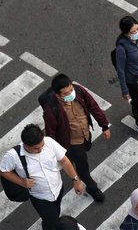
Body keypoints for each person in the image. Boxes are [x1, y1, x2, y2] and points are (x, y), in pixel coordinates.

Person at [0, 124, 84, 230]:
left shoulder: (48, 142)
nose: (40, 150)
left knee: (55, 212)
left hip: (58, 189)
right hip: (39, 197)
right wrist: (22, 182)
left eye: (41, 146)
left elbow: (64, 161)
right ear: (25, 145)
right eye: (36, 148)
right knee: (52, 220)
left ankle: (50, 229)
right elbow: (4, 171)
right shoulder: (13, 155)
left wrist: (76, 180)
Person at [42, 74, 110, 202]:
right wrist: (54, 153)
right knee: (82, 166)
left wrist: (104, 126)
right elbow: (50, 133)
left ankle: (71, 165)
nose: (70, 93)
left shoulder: (78, 91)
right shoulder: (51, 109)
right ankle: (92, 186)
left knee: (79, 157)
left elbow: (93, 106)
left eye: (70, 89)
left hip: (85, 135)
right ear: (58, 95)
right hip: (71, 144)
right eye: (66, 93)